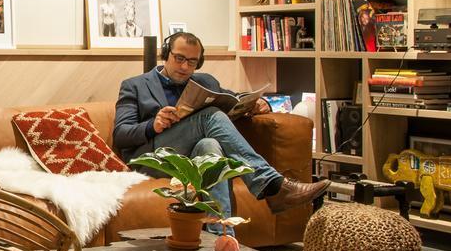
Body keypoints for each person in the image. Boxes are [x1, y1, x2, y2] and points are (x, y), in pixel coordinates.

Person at [113, 32, 329, 227]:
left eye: (192, 61)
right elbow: (121, 134)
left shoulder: (204, 81)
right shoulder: (135, 85)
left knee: (210, 147)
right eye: (179, 58)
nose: (185, 67)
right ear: (166, 54)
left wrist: (259, 103)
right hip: (154, 157)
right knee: (210, 115)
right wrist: (153, 125)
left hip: (190, 155)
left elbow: (233, 99)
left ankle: (221, 236)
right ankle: (272, 184)